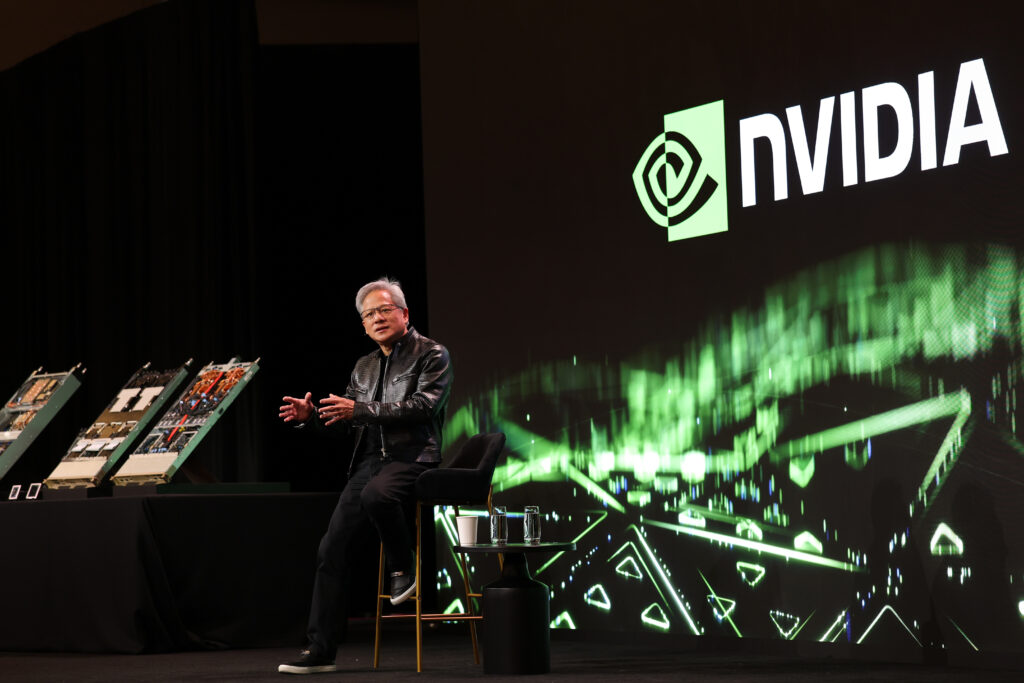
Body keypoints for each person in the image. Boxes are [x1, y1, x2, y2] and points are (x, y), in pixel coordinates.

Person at [277, 277, 452, 675]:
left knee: (377, 494)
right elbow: (349, 422)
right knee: (330, 549)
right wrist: (312, 418)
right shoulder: (364, 366)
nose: (377, 318)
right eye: (369, 314)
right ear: (363, 324)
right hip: (369, 462)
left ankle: (402, 566)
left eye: (384, 310)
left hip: (413, 458)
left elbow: (423, 407)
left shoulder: (432, 354)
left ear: (404, 313)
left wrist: (359, 410)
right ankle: (320, 650)